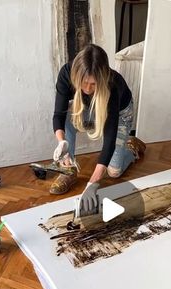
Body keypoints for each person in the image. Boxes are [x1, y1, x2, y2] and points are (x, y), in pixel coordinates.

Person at [52, 43, 146, 212]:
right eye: (84, 82)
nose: (87, 89)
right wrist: (61, 142)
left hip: (121, 114)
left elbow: (109, 139)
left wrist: (92, 183)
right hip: (88, 108)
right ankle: (68, 169)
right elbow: (58, 114)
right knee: (67, 113)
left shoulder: (112, 84)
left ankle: (131, 147)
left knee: (114, 171)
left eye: (93, 84)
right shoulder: (66, 73)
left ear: (101, 80)